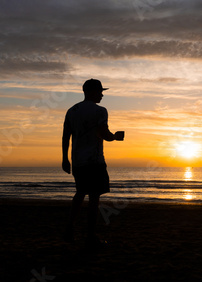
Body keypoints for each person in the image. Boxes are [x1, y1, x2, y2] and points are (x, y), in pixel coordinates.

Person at [62, 78, 124, 248]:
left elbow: (66, 136)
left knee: (80, 193)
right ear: (91, 92)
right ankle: (90, 236)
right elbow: (103, 133)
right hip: (95, 161)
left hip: (78, 162)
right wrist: (115, 137)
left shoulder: (72, 110)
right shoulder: (100, 111)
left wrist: (64, 158)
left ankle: (69, 228)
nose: (102, 95)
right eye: (100, 91)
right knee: (94, 198)